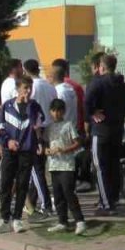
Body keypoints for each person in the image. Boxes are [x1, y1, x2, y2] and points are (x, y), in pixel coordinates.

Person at [0, 77, 43, 234]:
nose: (28, 91)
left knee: (22, 184)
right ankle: (4, 218)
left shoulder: (34, 106)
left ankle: (17, 218)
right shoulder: (7, 106)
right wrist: (7, 142)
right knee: (5, 184)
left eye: (30, 88)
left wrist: (29, 108)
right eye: (25, 87)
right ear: (18, 89)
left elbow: (37, 125)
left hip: (27, 150)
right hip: (9, 150)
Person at [87, 53, 125, 215]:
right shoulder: (122, 83)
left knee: (100, 166)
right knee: (114, 165)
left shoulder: (98, 82)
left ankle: (106, 204)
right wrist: (121, 113)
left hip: (101, 130)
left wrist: (92, 113)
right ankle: (111, 198)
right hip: (117, 129)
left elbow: (87, 101)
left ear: (101, 67)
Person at [43, 98, 86, 235]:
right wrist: (46, 150)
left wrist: (65, 150)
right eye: (54, 111)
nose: (56, 114)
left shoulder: (68, 125)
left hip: (67, 164)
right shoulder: (49, 127)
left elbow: (78, 142)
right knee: (57, 194)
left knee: (69, 192)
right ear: (50, 112)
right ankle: (62, 221)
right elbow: (44, 144)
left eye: (59, 111)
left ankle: (79, 220)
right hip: (54, 165)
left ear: (63, 112)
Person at [23, 59, 57, 221]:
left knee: (35, 169)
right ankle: (34, 201)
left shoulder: (31, 89)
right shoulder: (50, 86)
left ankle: (45, 204)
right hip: (48, 127)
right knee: (37, 168)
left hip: (35, 130)